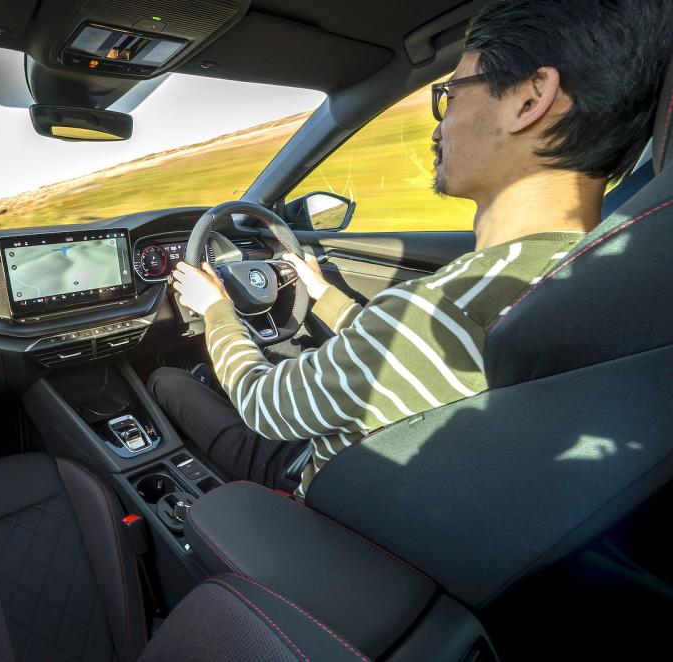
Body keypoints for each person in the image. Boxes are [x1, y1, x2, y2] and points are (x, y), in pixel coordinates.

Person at [149, 0, 673, 499]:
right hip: (413, 482)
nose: (439, 126)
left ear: (530, 98)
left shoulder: (440, 311)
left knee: (166, 380)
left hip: (324, 496)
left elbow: (265, 406)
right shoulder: (590, 275)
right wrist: (323, 294)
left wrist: (216, 309)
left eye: (452, 94)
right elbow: (405, 357)